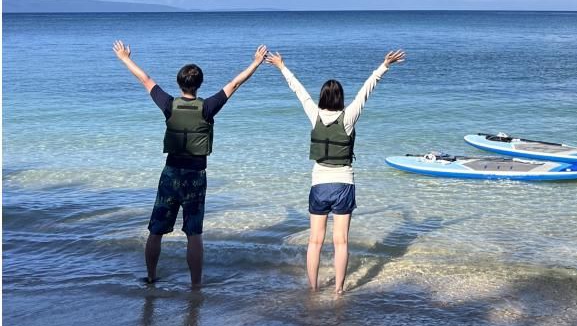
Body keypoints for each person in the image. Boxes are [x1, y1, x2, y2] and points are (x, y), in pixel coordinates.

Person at [113, 40, 268, 287]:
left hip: (171, 173)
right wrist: (256, 63)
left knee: (155, 230)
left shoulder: (168, 105)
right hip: (195, 176)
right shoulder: (207, 107)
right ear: (199, 85)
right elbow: (235, 83)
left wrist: (124, 58)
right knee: (193, 233)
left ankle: (151, 277)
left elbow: (146, 80)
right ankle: (195, 285)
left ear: (179, 84)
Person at [265, 49, 405, 294]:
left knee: (315, 241)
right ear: (341, 99)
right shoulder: (348, 117)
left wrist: (281, 66)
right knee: (341, 242)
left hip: (319, 185)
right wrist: (384, 66)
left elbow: (297, 90)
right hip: (343, 185)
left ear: (321, 97)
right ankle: (339, 289)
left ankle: (313, 288)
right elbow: (366, 91)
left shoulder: (314, 114)